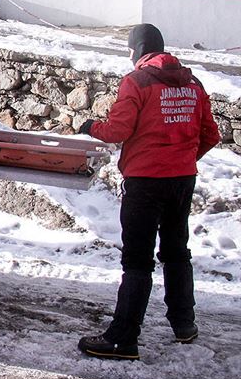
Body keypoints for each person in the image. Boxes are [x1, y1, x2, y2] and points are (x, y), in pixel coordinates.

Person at [77, 23, 221, 361]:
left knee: (137, 259)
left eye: (130, 50)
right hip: (182, 180)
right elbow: (211, 135)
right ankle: (184, 324)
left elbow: (118, 130)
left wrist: (90, 127)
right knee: (176, 250)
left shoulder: (137, 81)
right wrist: (182, 159)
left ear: (138, 49)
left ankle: (123, 339)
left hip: (145, 182)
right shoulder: (193, 83)